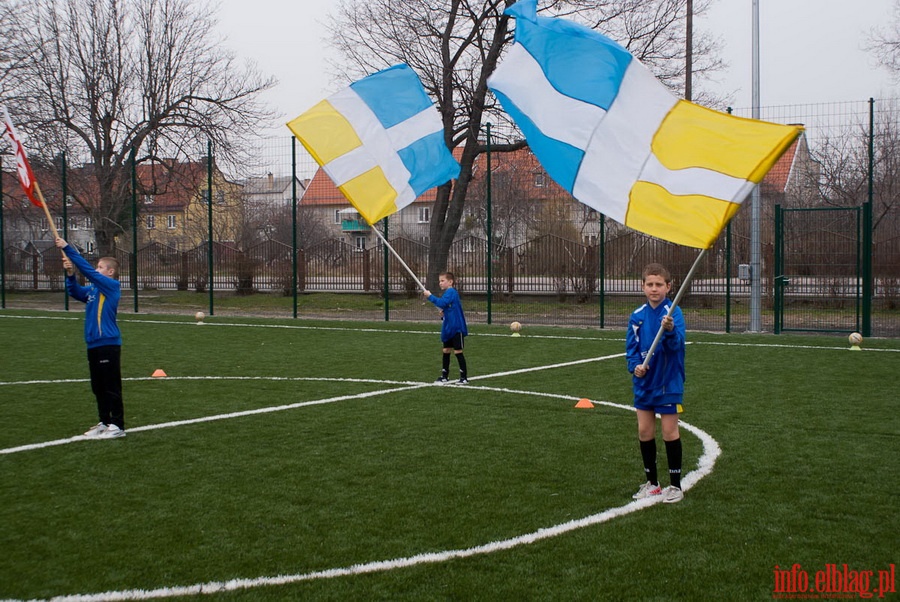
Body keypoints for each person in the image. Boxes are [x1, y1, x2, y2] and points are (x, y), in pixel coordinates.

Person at [626, 263, 686, 504]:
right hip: (644, 383)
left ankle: (675, 486)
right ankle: (652, 483)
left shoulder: (673, 313)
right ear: (643, 287)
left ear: (668, 287)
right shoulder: (637, 316)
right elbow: (631, 349)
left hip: (668, 382)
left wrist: (669, 330)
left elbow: (677, 346)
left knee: (669, 432)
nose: (654, 289)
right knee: (644, 431)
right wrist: (635, 367)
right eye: (649, 284)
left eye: (659, 284)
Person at [55, 237, 126, 439]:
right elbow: (76, 292)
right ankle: (104, 422)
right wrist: (70, 274)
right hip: (93, 344)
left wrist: (67, 248)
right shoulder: (94, 290)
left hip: (108, 344)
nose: (97, 269)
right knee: (98, 386)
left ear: (110, 272)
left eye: (101, 267)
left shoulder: (111, 286)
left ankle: (118, 425)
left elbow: (87, 271)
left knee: (111, 386)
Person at [422, 272, 469, 385]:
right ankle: (444, 376)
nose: (440, 283)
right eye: (439, 281)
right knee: (446, 350)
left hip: (456, 327)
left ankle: (464, 377)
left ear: (450, 282)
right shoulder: (447, 293)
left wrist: (430, 296)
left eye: (443, 281)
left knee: (458, 351)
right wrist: (444, 313)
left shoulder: (451, 292)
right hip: (448, 327)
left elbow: (442, 302)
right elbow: (447, 307)